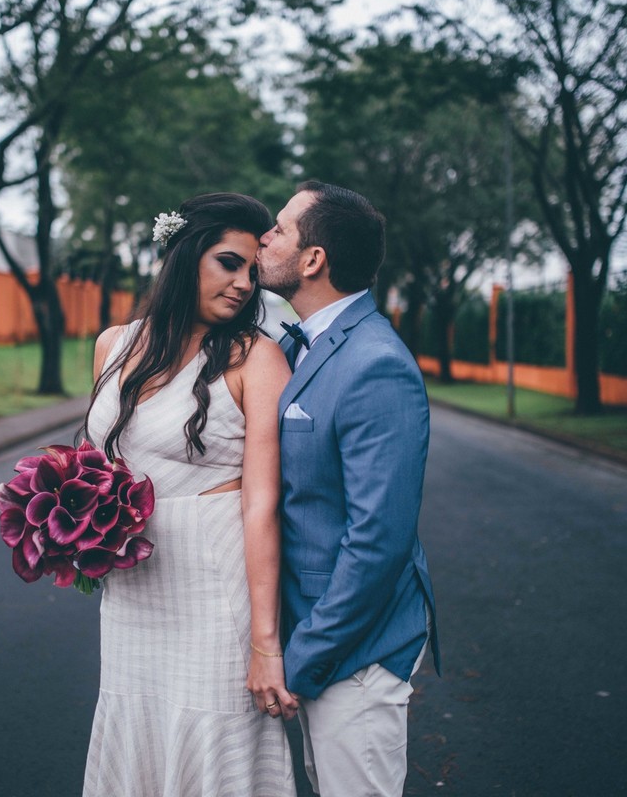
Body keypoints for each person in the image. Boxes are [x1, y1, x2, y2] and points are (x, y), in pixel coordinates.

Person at [81, 193, 297, 796]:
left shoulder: (257, 358)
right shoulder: (112, 344)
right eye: (229, 262)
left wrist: (265, 643)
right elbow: (99, 468)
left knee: (215, 746)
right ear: (183, 254)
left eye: (254, 272)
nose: (243, 284)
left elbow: (261, 504)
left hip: (212, 586)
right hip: (131, 590)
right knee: (137, 725)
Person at [257, 180, 440, 796]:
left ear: (313, 260)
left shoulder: (375, 363)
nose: (265, 238)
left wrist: (304, 659)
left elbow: (378, 542)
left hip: (353, 652)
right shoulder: (295, 345)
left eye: (279, 228)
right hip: (314, 641)